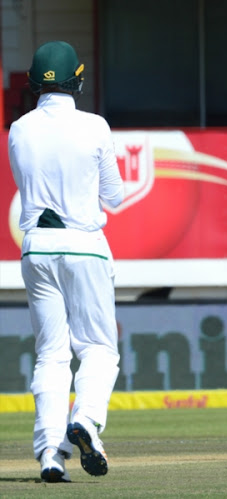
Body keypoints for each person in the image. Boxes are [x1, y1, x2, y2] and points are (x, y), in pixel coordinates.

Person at [8, 41, 124, 481]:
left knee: (50, 355)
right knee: (97, 348)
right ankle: (88, 420)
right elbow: (115, 195)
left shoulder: (20, 129)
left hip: (37, 247)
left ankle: (50, 453)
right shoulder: (95, 126)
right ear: (78, 79)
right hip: (84, 245)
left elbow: (25, 183)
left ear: (36, 83)